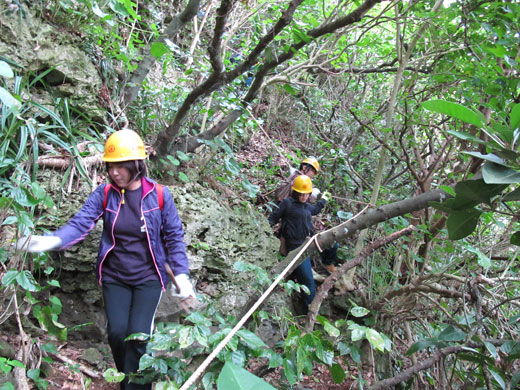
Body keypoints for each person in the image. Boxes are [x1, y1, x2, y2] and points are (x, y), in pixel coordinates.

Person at [17, 129, 196, 390]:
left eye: (121, 166)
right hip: (115, 276)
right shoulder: (105, 193)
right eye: (111, 166)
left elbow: (174, 237)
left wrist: (181, 275)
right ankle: (128, 378)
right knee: (117, 333)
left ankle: (134, 386)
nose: (114, 172)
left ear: (137, 165)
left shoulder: (159, 195)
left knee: (139, 336)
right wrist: (53, 240)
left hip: (149, 277)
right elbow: (81, 223)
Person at [268, 175, 332, 313]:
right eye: (301, 194)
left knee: (333, 246)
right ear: (295, 192)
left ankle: (329, 264)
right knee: (308, 280)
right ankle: (312, 310)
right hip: (295, 247)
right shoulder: (287, 203)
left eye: (306, 194)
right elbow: (273, 217)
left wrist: (324, 200)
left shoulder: (306, 206)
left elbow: (314, 210)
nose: (304, 197)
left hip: (308, 244)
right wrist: (266, 230)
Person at [273, 157, 338, 274]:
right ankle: (322, 264)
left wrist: (322, 200)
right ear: (305, 167)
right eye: (312, 171)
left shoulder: (300, 181)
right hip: (293, 228)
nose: (313, 174)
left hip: (303, 223)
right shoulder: (296, 180)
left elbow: (310, 208)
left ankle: (324, 263)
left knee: (332, 243)